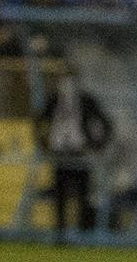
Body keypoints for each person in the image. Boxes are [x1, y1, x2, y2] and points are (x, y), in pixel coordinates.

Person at [34, 78, 116, 238]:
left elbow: (106, 124)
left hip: (80, 155)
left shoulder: (85, 100)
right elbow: (38, 121)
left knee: (83, 196)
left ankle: (83, 234)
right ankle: (60, 234)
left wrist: (96, 145)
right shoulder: (54, 99)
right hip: (60, 154)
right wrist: (43, 143)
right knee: (60, 196)